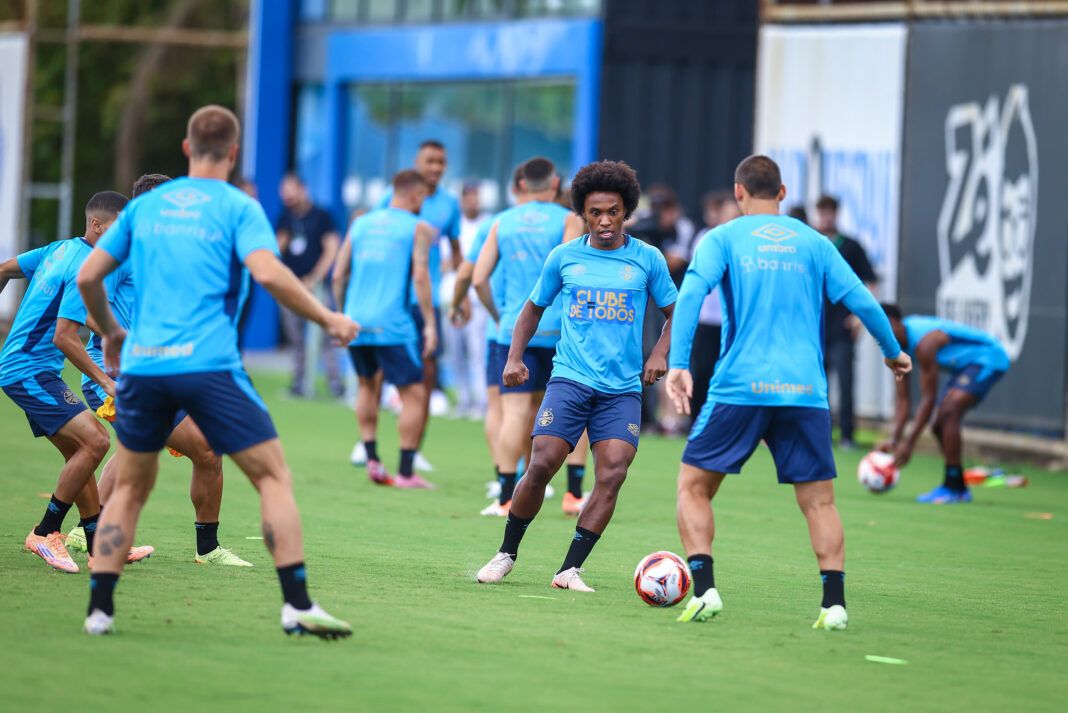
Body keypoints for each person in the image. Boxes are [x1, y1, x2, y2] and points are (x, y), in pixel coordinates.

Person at [76, 105, 358, 637]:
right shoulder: (239, 207)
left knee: (130, 490)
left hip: (144, 368)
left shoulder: (145, 209)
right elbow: (269, 273)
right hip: (208, 365)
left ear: (186, 148)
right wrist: (327, 317)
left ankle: (100, 610)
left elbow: (91, 274)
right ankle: (296, 605)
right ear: (232, 153)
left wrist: (112, 333)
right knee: (273, 476)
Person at [666, 155, 911, 630]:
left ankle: (705, 590)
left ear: (738, 194)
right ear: (781, 194)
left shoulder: (722, 238)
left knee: (693, 487)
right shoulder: (815, 243)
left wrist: (679, 364)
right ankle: (834, 604)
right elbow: (861, 297)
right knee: (820, 502)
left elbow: (692, 294)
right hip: (804, 392)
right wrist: (893, 350)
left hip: (741, 387)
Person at [475, 159, 677, 592]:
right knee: (543, 462)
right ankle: (506, 553)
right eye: (595, 212)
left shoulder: (647, 259)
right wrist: (514, 357)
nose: (605, 221)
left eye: (614, 212)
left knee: (613, 474)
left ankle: (569, 570)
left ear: (627, 211)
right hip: (569, 379)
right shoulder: (564, 257)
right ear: (582, 213)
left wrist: (661, 352)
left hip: (622, 390)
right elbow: (532, 309)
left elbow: (678, 315)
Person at [67, 172, 252, 567]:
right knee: (207, 449)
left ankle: (82, 534)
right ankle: (208, 549)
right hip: (117, 375)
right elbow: (87, 308)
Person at [0, 192, 129, 574]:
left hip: (31, 368)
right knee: (97, 441)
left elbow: (4, 269)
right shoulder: (86, 266)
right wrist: (106, 380)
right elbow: (64, 337)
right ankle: (45, 532)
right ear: (97, 225)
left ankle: (96, 545)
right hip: (28, 370)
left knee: (81, 450)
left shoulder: (61, 249)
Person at [471, 157, 585, 517]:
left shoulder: (501, 222)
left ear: (520, 186)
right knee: (576, 412)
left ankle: (505, 498)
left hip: (513, 332)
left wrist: (500, 316)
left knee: (515, 413)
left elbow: (477, 279)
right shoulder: (567, 218)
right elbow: (572, 271)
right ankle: (574, 495)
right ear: (554, 184)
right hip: (557, 333)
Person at [351, 140, 462, 473]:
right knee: (378, 375)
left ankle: (413, 448)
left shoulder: (449, 205)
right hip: (393, 302)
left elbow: (456, 254)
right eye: (430, 161)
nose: (436, 167)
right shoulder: (394, 197)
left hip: (425, 301)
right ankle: (368, 445)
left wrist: (458, 296)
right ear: (417, 162)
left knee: (426, 376)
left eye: (441, 162)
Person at [333, 169, 437, 489]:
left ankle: (372, 458)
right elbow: (420, 277)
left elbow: (339, 274)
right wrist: (431, 323)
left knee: (367, 386)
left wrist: (340, 316)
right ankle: (405, 471)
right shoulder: (419, 227)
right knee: (415, 394)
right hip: (393, 324)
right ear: (416, 194)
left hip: (356, 320)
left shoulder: (360, 223)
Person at [880, 307, 1010, 504]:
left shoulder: (925, 343)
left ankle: (953, 487)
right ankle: (957, 483)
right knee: (938, 425)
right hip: (964, 367)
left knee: (949, 412)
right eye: (878, 330)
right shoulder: (894, 350)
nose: (883, 335)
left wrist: (909, 444)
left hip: (988, 357)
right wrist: (894, 440)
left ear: (898, 323)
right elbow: (903, 401)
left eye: (887, 327)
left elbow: (929, 398)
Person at [815, 194, 877, 449]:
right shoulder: (812, 243)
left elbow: (870, 281)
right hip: (815, 326)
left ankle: (848, 435)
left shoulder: (851, 246)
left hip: (842, 327)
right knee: (817, 385)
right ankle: (821, 434)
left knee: (846, 381)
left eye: (831, 212)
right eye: (822, 212)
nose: (826, 218)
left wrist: (859, 317)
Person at [276, 173, 343, 398]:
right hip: (290, 286)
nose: (289, 200)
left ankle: (335, 383)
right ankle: (299, 382)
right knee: (295, 337)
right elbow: (276, 250)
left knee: (326, 333)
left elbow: (332, 248)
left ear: (303, 189)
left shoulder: (321, 216)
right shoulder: (285, 217)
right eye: (285, 196)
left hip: (316, 288)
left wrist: (314, 278)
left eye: (292, 193)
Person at [688, 190, 741, 421]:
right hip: (707, 317)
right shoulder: (707, 238)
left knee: (729, 372)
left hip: (733, 318)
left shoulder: (743, 241)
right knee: (703, 370)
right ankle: (697, 417)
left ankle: (726, 418)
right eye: (728, 214)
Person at [447, 182, 489, 418]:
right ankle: (463, 398)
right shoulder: (455, 226)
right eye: (470, 197)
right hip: (451, 298)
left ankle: (481, 401)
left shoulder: (488, 223)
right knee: (456, 353)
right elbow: (449, 260)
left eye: (477, 197)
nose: (474, 201)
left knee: (476, 352)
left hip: (476, 299)